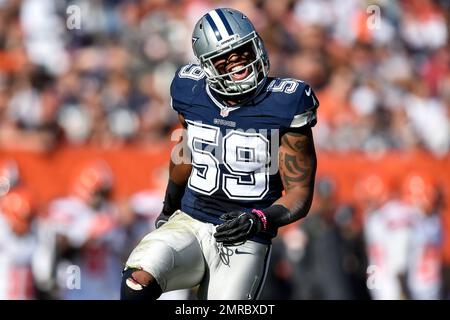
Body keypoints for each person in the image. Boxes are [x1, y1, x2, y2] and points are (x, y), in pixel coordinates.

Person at [121, 7, 319, 300]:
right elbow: (184, 154)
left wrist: (259, 219)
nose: (238, 60)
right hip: (190, 221)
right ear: (207, 66)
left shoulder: (286, 103)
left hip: (245, 238)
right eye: (224, 58)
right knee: (137, 282)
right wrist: (169, 206)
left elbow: (300, 192)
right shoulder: (190, 92)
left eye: (242, 50)